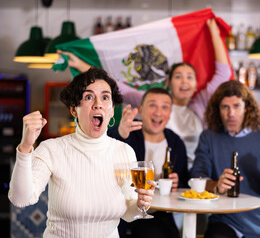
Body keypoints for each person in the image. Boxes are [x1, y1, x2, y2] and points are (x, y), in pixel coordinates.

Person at [59, 18, 232, 170]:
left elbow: (223, 74)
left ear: (196, 84)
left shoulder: (201, 102)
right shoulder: (150, 99)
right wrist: (81, 64)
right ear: (169, 82)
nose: (184, 81)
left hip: (195, 175)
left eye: (190, 77)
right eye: (178, 77)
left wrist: (213, 31)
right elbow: (114, 85)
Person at [8, 67, 156, 238]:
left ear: (111, 109)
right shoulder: (52, 149)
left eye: (105, 97)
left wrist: (139, 204)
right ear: (73, 109)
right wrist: (26, 146)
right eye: (88, 97)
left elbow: (128, 214)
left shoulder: (124, 151)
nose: (98, 104)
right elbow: (20, 199)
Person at [190, 80, 260, 238]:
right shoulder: (209, 137)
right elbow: (197, 176)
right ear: (217, 109)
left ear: (247, 108)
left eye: (236, 106)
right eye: (225, 107)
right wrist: (216, 186)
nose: (231, 114)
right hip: (225, 221)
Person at [108, 88, 189, 238]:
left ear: (170, 112)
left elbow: (185, 182)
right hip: (127, 213)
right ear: (140, 109)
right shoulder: (129, 131)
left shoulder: (176, 142)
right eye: (152, 105)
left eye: (164, 107)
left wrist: (178, 183)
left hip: (161, 215)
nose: (158, 112)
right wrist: (120, 134)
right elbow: (106, 152)